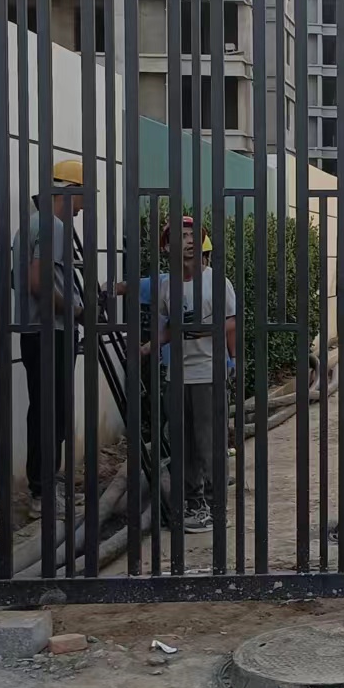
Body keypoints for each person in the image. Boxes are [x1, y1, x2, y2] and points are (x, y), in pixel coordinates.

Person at [12, 158, 126, 510]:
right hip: (50, 331)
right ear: (70, 190)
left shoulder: (35, 225)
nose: (85, 206)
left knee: (48, 410)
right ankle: (43, 493)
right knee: (51, 413)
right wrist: (77, 311)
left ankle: (47, 487)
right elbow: (38, 282)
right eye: (84, 197)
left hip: (40, 331)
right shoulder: (52, 227)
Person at [148, 216, 236, 532]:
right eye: (180, 236)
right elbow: (169, 327)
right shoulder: (166, 285)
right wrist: (147, 347)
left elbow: (232, 321)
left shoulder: (217, 281)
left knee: (209, 445)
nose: (187, 241)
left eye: (191, 235)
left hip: (208, 373)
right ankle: (193, 503)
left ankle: (216, 507)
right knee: (182, 445)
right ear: (166, 247)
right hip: (176, 376)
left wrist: (227, 354)